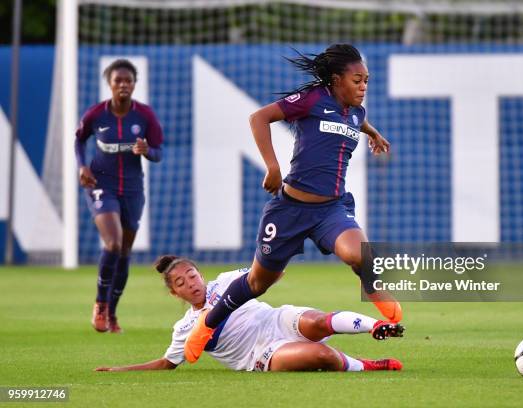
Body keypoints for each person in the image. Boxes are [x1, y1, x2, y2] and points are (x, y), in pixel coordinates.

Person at [185, 44, 401, 361]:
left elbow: (358, 121)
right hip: (290, 210)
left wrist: (373, 134)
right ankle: (207, 324)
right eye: (357, 80)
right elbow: (259, 117)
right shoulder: (313, 99)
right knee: (258, 283)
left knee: (359, 255)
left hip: (331, 209)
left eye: (367, 80)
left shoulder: (357, 112)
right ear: (337, 79)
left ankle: (373, 290)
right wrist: (272, 166)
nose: (363, 86)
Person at [95, 256, 404, 372]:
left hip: (276, 319)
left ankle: (375, 325)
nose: (190, 283)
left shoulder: (228, 280)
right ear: (174, 293)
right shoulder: (186, 327)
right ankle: (365, 365)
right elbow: (166, 363)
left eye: (192, 275)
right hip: (262, 353)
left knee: (318, 322)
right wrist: (118, 370)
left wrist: (274, 261)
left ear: (200, 274)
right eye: (181, 283)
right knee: (320, 356)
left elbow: (266, 273)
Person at [75, 59, 164, 333]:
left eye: (128, 80)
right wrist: (82, 166)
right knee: (112, 243)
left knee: (124, 253)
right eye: (118, 80)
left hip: (133, 189)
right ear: (110, 84)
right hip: (102, 183)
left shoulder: (145, 116)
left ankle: (112, 314)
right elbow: (79, 139)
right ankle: (100, 305)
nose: (123, 85)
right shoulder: (96, 114)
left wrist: (146, 150)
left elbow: (159, 152)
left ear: (135, 84)